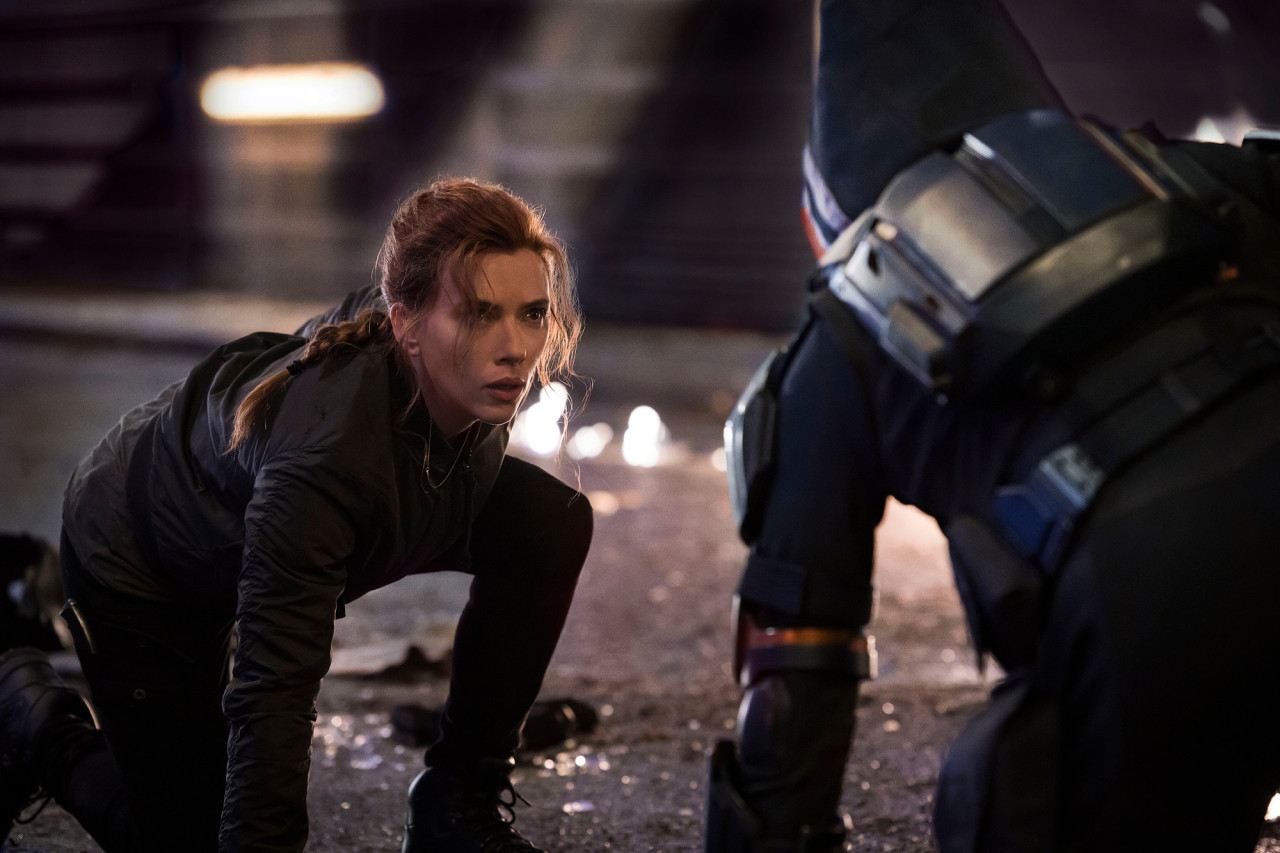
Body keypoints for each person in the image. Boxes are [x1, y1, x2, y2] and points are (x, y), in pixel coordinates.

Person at [705, 1, 1280, 851]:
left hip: (1147, 587)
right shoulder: (1168, 171)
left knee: (1006, 789)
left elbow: (792, 680)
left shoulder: (844, 329)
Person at [0, 177, 594, 853]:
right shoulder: (325, 464)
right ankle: (33, 721)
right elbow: (275, 689)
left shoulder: (455, 364)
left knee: (549, 520)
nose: (516, 347)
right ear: (406, 325)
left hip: (296, 503)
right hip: (138, 556)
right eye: (481, 315)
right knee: (190, 838)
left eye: (532, 313)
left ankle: (455, 806)